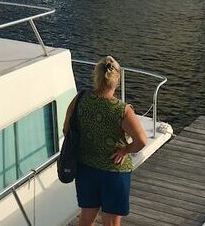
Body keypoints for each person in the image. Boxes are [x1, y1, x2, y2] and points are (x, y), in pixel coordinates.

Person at [63, 56, 147, 226]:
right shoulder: (122, 110)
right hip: (113, 171)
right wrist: (125, 150)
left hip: (86, 168)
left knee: (86, 218)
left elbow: (66, 130)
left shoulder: (80, 99)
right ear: (117, 81)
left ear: (96, 77)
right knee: (111, 222)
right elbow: (141, 141)